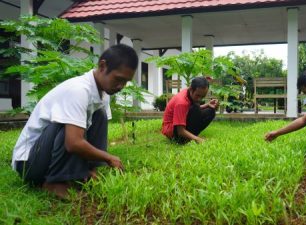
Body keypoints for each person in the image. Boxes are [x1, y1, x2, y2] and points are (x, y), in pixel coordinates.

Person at [11, 44, 138, 198]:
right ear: (103, 66)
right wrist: (108, 157)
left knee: (100, 115)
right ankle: (55, 183)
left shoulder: (103, 93)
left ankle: (84, 173)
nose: (121, 86)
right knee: (68, 127)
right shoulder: (78, 90)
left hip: (47, 156)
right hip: (28, 164)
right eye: (118, 79)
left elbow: (92, 133)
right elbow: (73, 143)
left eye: (125, 82)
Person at [162, 77, 219, 144]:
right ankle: (185, 140)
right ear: (191, 89)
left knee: (210, 111)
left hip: (178, 126)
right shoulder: (181, 102)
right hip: (172, 131)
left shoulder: (188, 92)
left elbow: (187, 109)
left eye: (202, 97)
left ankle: (190, 137)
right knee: (196, 108)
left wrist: (207, 105)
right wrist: (198, 139)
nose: (199, 99)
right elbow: (180, 131)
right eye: (197, 96)